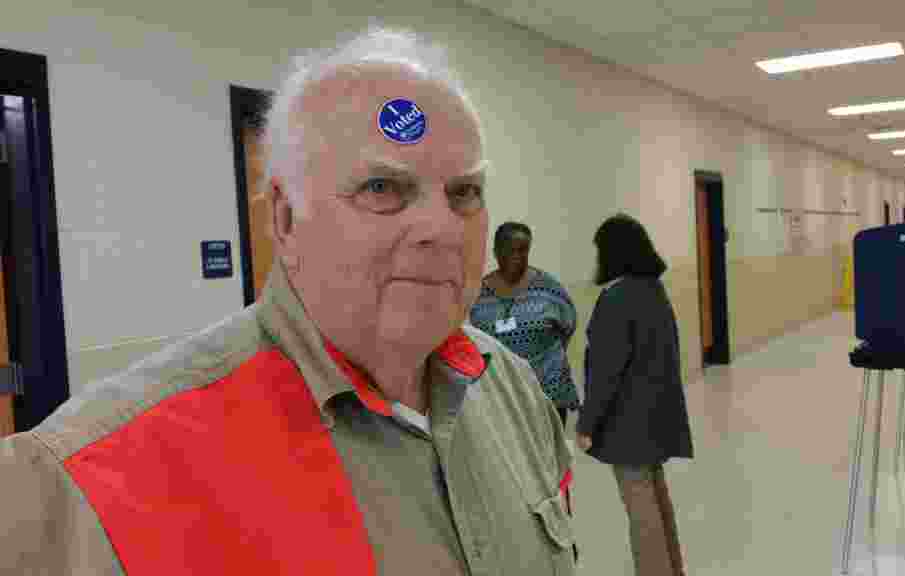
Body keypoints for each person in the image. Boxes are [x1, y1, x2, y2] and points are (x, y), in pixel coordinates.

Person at [0, 27, 576, 575]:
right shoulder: (90, 479)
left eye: (464, 193)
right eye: (382, 188)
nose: (441, 228)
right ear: (285, 220)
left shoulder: (515, 390)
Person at [576, 213, 694, 576]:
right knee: (657, 501)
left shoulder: (617, 298)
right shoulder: (652, 289)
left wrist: (587, 423)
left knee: (641, 511)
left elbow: (606, 371)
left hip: (628, 423)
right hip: (656, 415)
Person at [470, 222, 580, 427]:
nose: (517, 256)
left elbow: (568, 326)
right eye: (509, 249)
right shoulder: (477, 294)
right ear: (495, 251)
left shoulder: (549, 290)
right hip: (500, 399)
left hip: (547, 395)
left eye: (523, 250)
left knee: (548, 458)